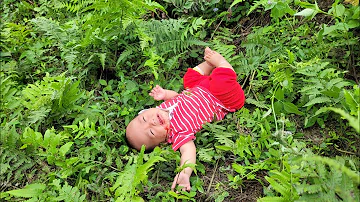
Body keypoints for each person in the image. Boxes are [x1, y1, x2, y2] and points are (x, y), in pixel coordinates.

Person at [126, 47, 245, 191]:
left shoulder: (163, 108)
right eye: (151, 132)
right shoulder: (178, 133)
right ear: (162, 143)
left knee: (189, 79)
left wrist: (165, 94)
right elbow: (188, 152)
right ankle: (222, 63)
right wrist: (185, 172)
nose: (151, 122)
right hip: (219, 99)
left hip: (199, 87)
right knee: (220, 84)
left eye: (144, 119)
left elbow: (177, 97)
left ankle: (209, 64)